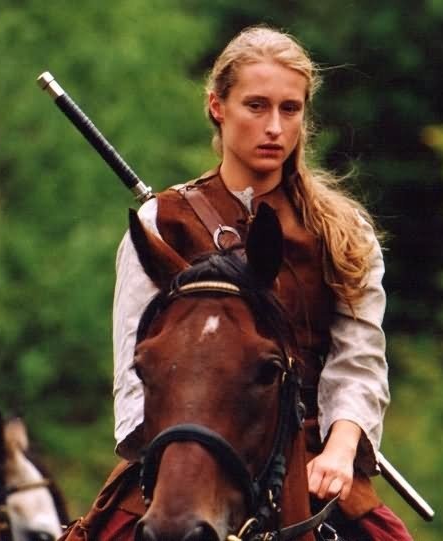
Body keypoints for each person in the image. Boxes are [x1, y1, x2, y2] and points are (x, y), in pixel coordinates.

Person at [109, 25, 413, 541]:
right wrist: (169, 462)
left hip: (309, 458)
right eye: (256, 106)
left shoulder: (343, 232)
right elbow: (133, 372)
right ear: (217, 106)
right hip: (177, 455)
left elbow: (358, 360)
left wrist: (341, 451)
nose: (274, 126)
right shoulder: (162, 223)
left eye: (289, 109)